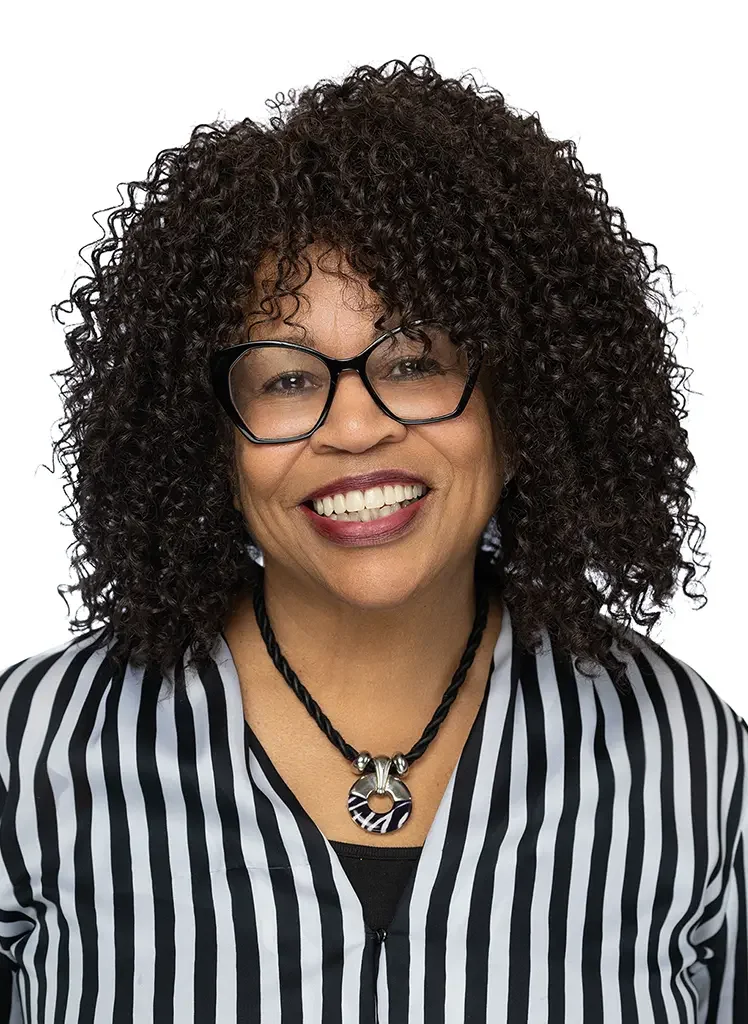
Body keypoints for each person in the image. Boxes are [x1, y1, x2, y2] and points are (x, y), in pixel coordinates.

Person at [0, 53, 745, 1024]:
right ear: (207, 439)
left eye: (415, 360)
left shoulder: (688, 761)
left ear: (522, 393)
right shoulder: (31, 760)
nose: (354, 428)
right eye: (286, 377)